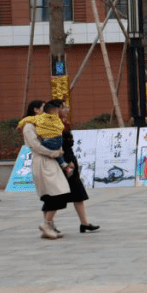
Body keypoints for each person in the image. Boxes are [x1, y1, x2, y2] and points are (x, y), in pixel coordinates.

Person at [19, 100, 72, 239]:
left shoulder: (44, 122)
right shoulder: (28, 125)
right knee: (56, 193)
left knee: (54, 194)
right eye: (43, 107)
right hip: (42, 161)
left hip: (52, 161)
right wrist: (53, 153)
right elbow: (35, 145)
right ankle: (46, 225)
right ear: (36, 110)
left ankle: (48, 226)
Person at [58, 103, 100, 233]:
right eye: (64, 107)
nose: (67, 109)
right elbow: (57, 147)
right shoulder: (53, 127)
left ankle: (84, 223)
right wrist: (65, 162)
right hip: (63, 163)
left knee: (78, 194)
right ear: (56, 110)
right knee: (54, 197)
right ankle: (48, 224)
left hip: (71, 162)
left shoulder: (65, 123)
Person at [17, 109, 70, 174]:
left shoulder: (42, 119)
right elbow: (35, 146)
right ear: (36, 109)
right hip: (45, 155)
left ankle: (62, 163)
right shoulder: (31, 124)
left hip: (49, 148)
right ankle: (63, 163)